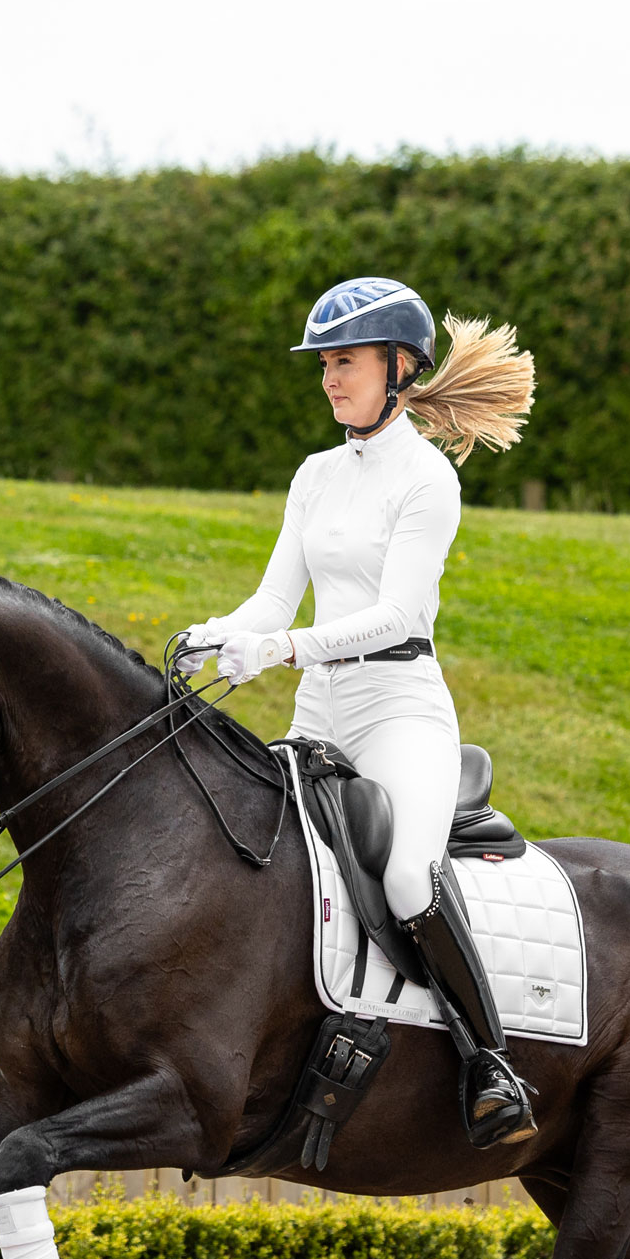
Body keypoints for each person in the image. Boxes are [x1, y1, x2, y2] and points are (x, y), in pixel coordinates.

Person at [180, 275, 538, 1148]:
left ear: (400, 368)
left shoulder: (427, 480)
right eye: (326, 365)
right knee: (258, 858)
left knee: (411, 878)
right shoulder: (315, 476)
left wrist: (284, 648)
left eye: (346, 362)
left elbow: (400, 616)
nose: (331, 380)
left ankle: (490, 1065)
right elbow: (272, 600)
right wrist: (216, 633)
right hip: (319, 713)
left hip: (399, 712)